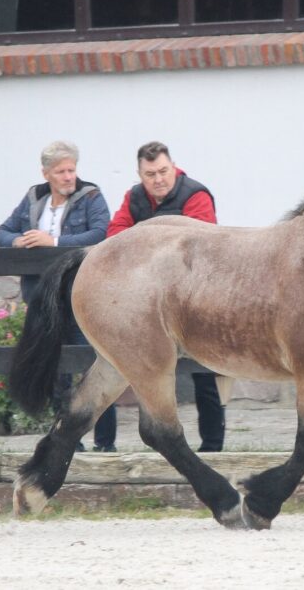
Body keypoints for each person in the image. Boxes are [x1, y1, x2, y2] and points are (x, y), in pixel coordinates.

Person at [107, 140, 226, 452]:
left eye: (163, 171)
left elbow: (202, 246)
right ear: (140, 174)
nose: (158, 179)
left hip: (197, 298)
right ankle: (162, 442)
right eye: (150, 174)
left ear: (173, 167)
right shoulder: (134, 197)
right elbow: (114, 237)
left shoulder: (195, 194)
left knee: (203, 372)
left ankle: (214, 444)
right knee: (151, 369)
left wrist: (145, 243)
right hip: (151, 301)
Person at [0, 141, 113, 451]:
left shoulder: (91, 196)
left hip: (82, 296)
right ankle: (67, 440)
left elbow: (101, 233)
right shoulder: (34, 198)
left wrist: (54, 240)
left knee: (96, 365)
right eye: (60, 171)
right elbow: (1, 232)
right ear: (46, 173)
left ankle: (105, 440)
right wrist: (20, 240)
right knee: (57, 367)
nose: (68, 176)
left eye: (71, 169)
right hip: (45, 299)